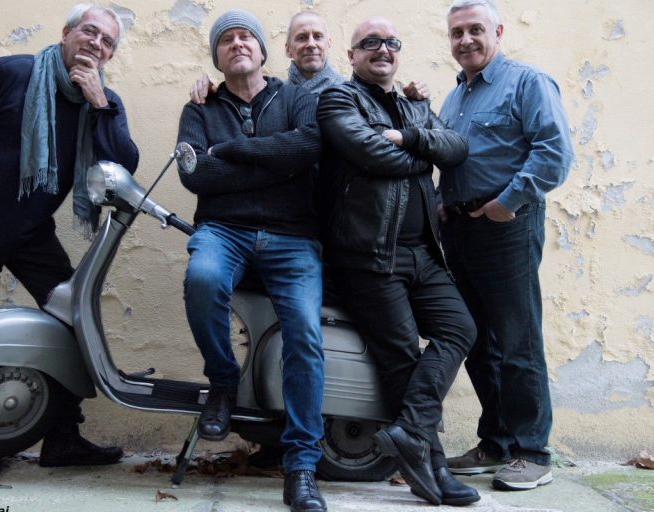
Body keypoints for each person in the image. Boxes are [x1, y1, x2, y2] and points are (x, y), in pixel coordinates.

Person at [0, 3, 139, 473]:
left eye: (107, 41)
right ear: (66, 33)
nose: (96, 44)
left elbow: (122, 166)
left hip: (30, 232)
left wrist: (98, 104)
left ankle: (62, 439)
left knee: (74, 316)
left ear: (110, 55)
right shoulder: (12, 73)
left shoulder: (103, 102)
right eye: (89, 32)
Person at [317, 17, 479, 507]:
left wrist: (406, 137)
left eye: (390, 42)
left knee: (460, 328)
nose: (382, 49)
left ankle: (409, 431)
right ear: (351, 55)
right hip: (369, 255)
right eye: (370, 43)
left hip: (424, 252)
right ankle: (434, 471)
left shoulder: (414, 103)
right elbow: (371, 154)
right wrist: (423, 151)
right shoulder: (338, 99)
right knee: (403, 358)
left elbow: (457, 147)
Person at [176, 10, 326, 512]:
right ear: (217, 58)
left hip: (292, 237)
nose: (238, 44)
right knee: (203, 277)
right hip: (224, 230)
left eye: (246, 37)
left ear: (263, 51)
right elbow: (195, 174)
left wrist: (232, 150)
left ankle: (301, 465)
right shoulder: (199, 107)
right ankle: (224, 381)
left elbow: (308, 146)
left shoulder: (296, 97)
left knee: (304, 333)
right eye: (227, 40)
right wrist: (274, 163)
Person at [438, 0, 574, 491]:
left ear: (497, 32)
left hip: (506, 225)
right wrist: (442, 203)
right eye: (457, 33)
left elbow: (554, 152)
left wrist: (506, 202)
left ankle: (533, 452)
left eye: (475, 29)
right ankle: (496, 443)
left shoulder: (526, 82)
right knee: (479, 343)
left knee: (518, 342)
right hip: (460, 229)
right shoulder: (454, 97)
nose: (466, 40)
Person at [189, 11, 430, 102]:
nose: (311, 44)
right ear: (288, 49)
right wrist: (212, 90)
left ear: (329, 44)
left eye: (318, 37)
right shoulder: (274, 97)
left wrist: (415, 98)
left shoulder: (353, 94)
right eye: (302, 37)